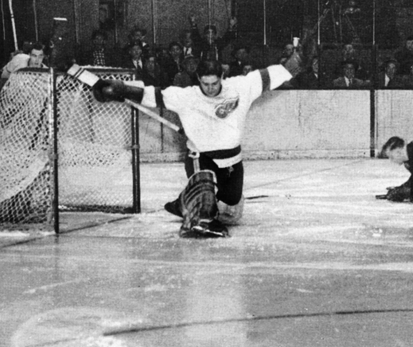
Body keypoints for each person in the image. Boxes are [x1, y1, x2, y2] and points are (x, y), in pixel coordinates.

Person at [91, 52, 302, 237]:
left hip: (232, 161)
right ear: (199, 79)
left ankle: (184, 201)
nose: (210, 88)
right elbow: (150, 94)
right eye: (205, 83)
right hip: (200, 157)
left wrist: (301, 58)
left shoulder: (241, 86)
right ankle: (197, 211)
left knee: (231, 213)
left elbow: (283, 71)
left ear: (222, 77)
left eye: (214, 83)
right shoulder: (186, 96)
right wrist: (122, 89)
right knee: (205, 203)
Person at [380, 136, 413, 202]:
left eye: (391, 157)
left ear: (398, 152)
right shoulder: (408, 160)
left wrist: (403, 192)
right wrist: (400, 189)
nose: (392, 161)